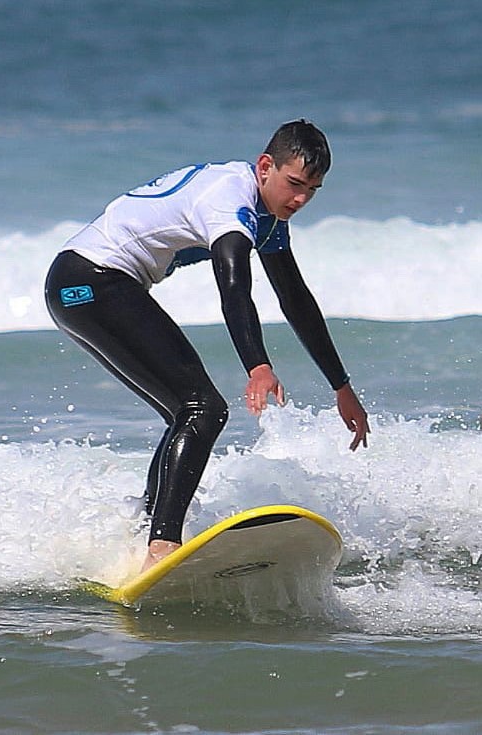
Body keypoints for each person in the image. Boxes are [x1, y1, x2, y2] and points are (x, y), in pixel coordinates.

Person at [44, 119, 370, 572]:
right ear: (264, 167)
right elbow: (234, 284)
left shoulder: (268, 217)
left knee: (185, 412)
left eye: (312, 190)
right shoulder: (228, 198)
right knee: (203, 408)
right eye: (294, 184)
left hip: (82, 284)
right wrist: (257, 365)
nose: (299, 199)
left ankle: (143, 535)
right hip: (90, 282)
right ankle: (161, 545)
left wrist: (341, 385)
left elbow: (295, 298)